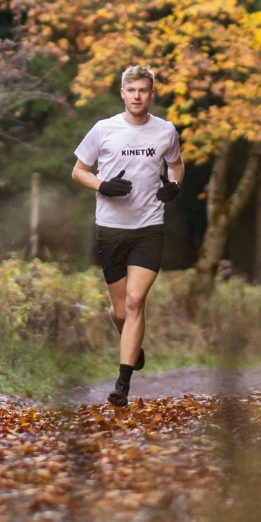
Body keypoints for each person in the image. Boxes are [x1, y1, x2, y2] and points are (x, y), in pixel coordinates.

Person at [72, 65, 184, 406]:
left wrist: (174, 186)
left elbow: (176, 164)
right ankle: (131, 344)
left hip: (149, 227)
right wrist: (103, 184)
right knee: (120, 310)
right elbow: (78, 171)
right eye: (131, 90)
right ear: (122, 93)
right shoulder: (103, 130)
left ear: (152, 94)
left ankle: (122, 384)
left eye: (143, 90)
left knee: (136, 301)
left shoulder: (165, 131)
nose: (137, 96)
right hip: (111, 228)